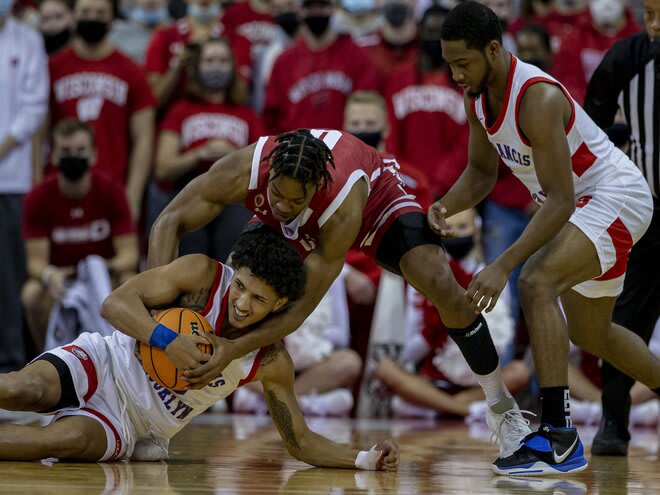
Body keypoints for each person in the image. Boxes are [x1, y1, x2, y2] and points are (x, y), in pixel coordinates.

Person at [148, 125, 534, 461]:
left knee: (440, 281)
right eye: (276, 195)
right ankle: (157, 421)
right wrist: (160, 315)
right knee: (238, 292)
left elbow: (297, 311)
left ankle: (501, 407)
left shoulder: (343, 206)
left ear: (316, 186)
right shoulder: (243, 169)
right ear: (269, 175)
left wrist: (232, 349)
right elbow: (170, 220)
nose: (282, 207)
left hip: (374, 198)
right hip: (315, 201)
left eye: (294, 201)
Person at [437, 1, 660, 475]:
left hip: (613, 194)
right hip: (584, 204)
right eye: (449, 64)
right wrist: (443, 205)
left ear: (493, 50)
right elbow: (480, 173)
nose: (456, 74)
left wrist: (501, 265)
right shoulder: (475, 96)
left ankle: (558, 436)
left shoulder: (536, 96)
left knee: (534, 282)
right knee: (590, 333)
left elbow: (558, 200)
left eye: (463, 63)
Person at [0, 230, 399, 470]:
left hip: (131, 421)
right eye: (241, 286)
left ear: (278, 306)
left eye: (258, 300)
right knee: (23, 390)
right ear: (233, 270)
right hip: (106, 361)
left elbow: (300, 441)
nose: (242, 303)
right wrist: (167, 341)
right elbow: (114, 304)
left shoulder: (271, 360)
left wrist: (363, 459)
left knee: (59, 442)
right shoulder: (203, 276)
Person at [583, 0, 660, 456]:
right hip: (646, 211)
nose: (655, 25)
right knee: (625, 319)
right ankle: (614, 421)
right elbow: (589, 128)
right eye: (648, 14)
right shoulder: (625, 59)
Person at [373, 209, 530, 420]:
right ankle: (467, 410)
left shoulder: (491, 277)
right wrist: (436, 331)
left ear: (477, 232)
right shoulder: (424, 276)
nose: (455, 233)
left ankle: (439, 408)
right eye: (449, 228)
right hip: (433, 381)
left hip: (478, 384)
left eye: (463, 227)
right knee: (386, 369)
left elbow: (505, 337)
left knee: (519, 372)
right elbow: (411, 349)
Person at [21, 118, 138, 352]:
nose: (73, 156)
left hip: (104, 274)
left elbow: (129, 255)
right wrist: (50, 275)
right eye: (65, 151)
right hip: (61, 280)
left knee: (131, 280)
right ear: (53, 156)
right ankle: (45, 357)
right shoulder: (38, 197)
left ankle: (127, 357)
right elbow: (35, 262)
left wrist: (99, 269)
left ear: (93, 155)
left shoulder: (112, 191)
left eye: (80, 150)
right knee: (31, 293)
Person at [150, 37, 260, 263]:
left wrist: (233, 155)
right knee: (190, 265)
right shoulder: (180, 110)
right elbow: (162, 168)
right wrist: (198, 154)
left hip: (234, 196)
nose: (216, 67)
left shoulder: (246, 114)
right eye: (209, 61)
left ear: (233, 67)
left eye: (222, 61)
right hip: (190, 190)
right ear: (198, 67)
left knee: (232, 261)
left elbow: (263, 167)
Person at [47, 0, 157, 221]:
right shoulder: (52, 67)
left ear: (112, 19)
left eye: (100, 12)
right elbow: (39, 134)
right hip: (59, 186)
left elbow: (144, 137)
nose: (92, 18)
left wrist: (133, 195)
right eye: (85, 12)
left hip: (114, 188)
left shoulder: (131, 71)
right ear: (73, 16)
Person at [0, 0, 49, 373]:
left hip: (11, 176)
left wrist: (5, 144)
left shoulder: (28, 40)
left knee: (9, 274)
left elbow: (35, 105)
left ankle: (11, 360)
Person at [384, 4, 469, 198]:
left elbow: (467, 143)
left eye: (444, 34)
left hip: (454, 189)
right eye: (431, 31)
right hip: (406, 188)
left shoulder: (466, 82)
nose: (437, 39)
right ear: (420, 31)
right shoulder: (397, 79)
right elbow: (391, 139)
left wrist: (439, 183)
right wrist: (413, 181)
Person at [263, 0, 380, 134]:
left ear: (333, 8)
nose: (316, 12)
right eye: (309, 7)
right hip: (299, 150)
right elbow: (271, 118)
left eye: (322, 6)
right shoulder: (283, 62)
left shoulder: (357, 56)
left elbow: (369, 107)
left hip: (345, 148)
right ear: (299, 10)